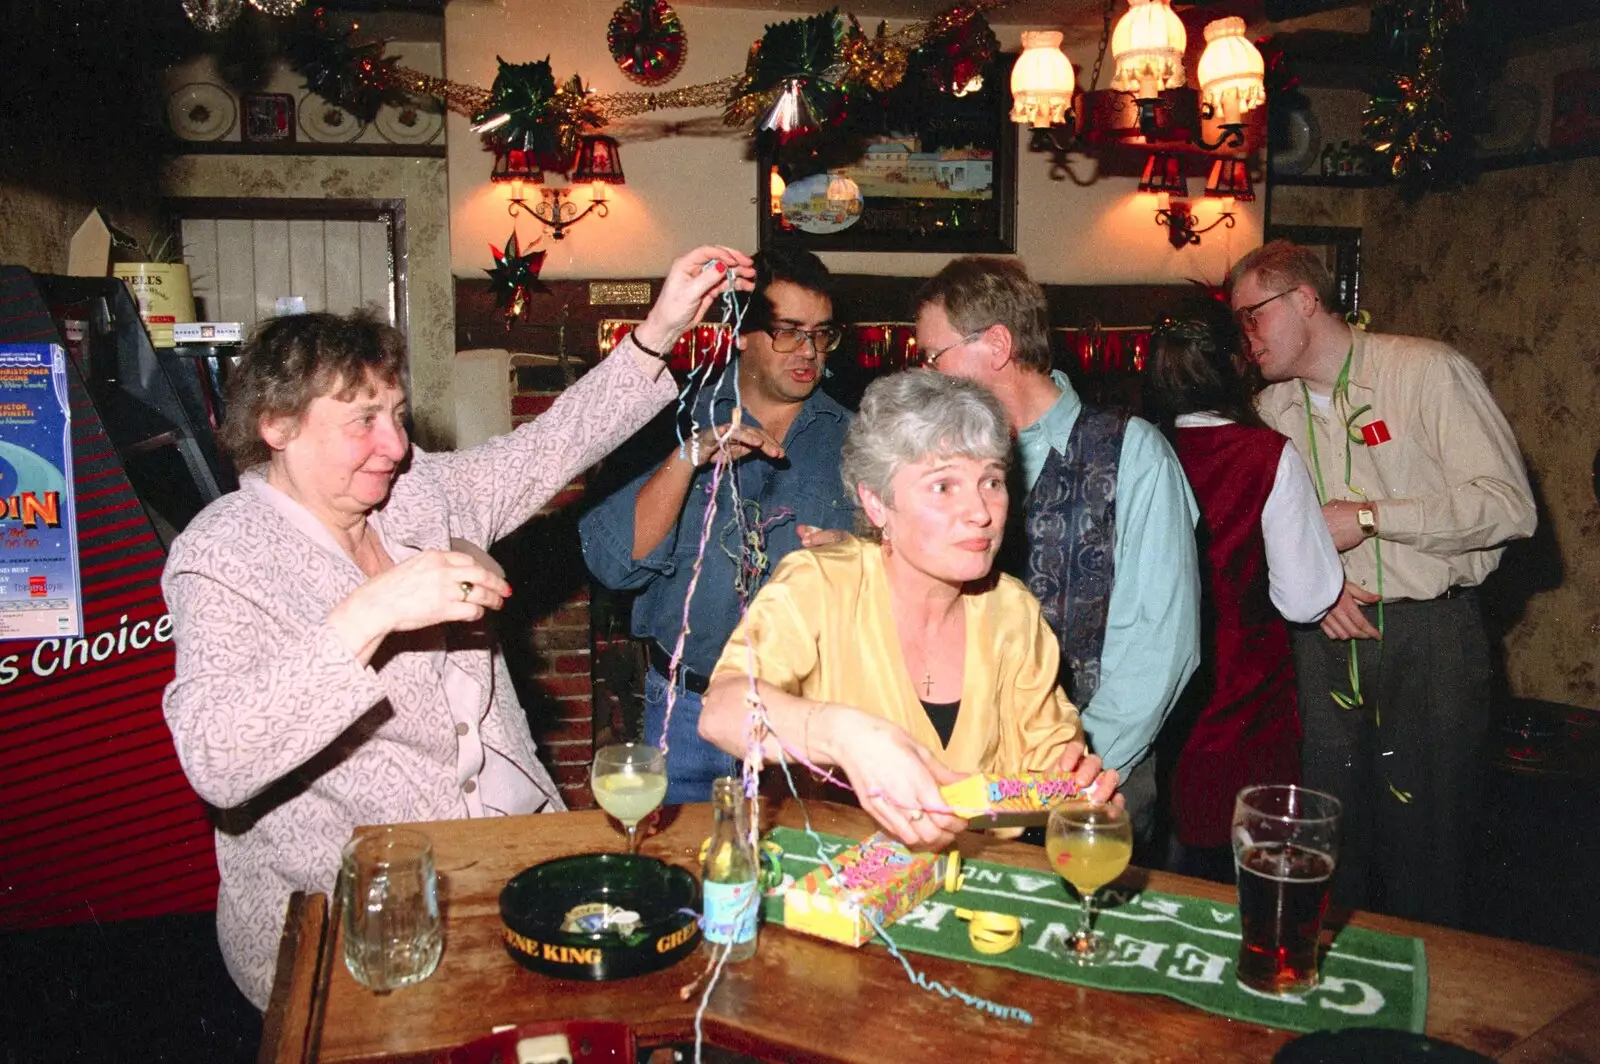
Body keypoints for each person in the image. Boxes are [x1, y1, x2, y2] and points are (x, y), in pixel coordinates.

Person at [160, 245, 753, 1009]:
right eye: (363, 421)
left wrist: (660, 329)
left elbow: (550, 447)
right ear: (277, 427)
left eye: (398, 415)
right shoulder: (223, 551)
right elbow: (218, 759)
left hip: (503, 859)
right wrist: (372, 611)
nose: (397, 446)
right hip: (352, 922)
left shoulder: (414, 495)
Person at [1230, 239, 1535, 926]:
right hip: (1324, 641)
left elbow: (1508, 507)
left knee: (1428, 854)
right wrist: (1320, 589)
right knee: (1327, 845)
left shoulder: (1425, 372)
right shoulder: (1272, 411)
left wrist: (1369, 518)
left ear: (1305, 300)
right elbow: (1263, 533)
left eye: (1253, 316)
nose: (1245, 337)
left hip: (1431, 637)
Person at [698, 371, 1119, 850]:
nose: (980, 511)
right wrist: (844, 733)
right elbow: (721, 712)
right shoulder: (822, 583)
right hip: (831, 879)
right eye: (943, 487)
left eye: (991, 481)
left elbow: (1036, 779)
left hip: (967, 885)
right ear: (877, 504)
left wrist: (1072, 795)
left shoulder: (1013, 612)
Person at [912, 257, 1200, 849]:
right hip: (966, 772)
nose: (924, 374)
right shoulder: (947, 457)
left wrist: (1067, 773)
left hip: (1097, 778)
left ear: (995, 345)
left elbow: (1163, 643)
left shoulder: (1134, 453)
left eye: (933, 356)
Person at [581, 248, 854, 804]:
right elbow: (612, 563)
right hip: (682, 711)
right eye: (789, 331)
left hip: (804, 715)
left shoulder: (860, 437)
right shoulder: (666, 418)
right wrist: (687, 458)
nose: (809, 352)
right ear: (742, 334)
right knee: (683, 879)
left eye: (823, 335)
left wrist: (862, 550)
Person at [1145, 312, 1344, 882]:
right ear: (1236, 368)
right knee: (1242, 861)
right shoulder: (1265, 454)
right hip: (1243, 689)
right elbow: (1305, 598)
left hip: (1160, 681)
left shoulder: (1138, 448)